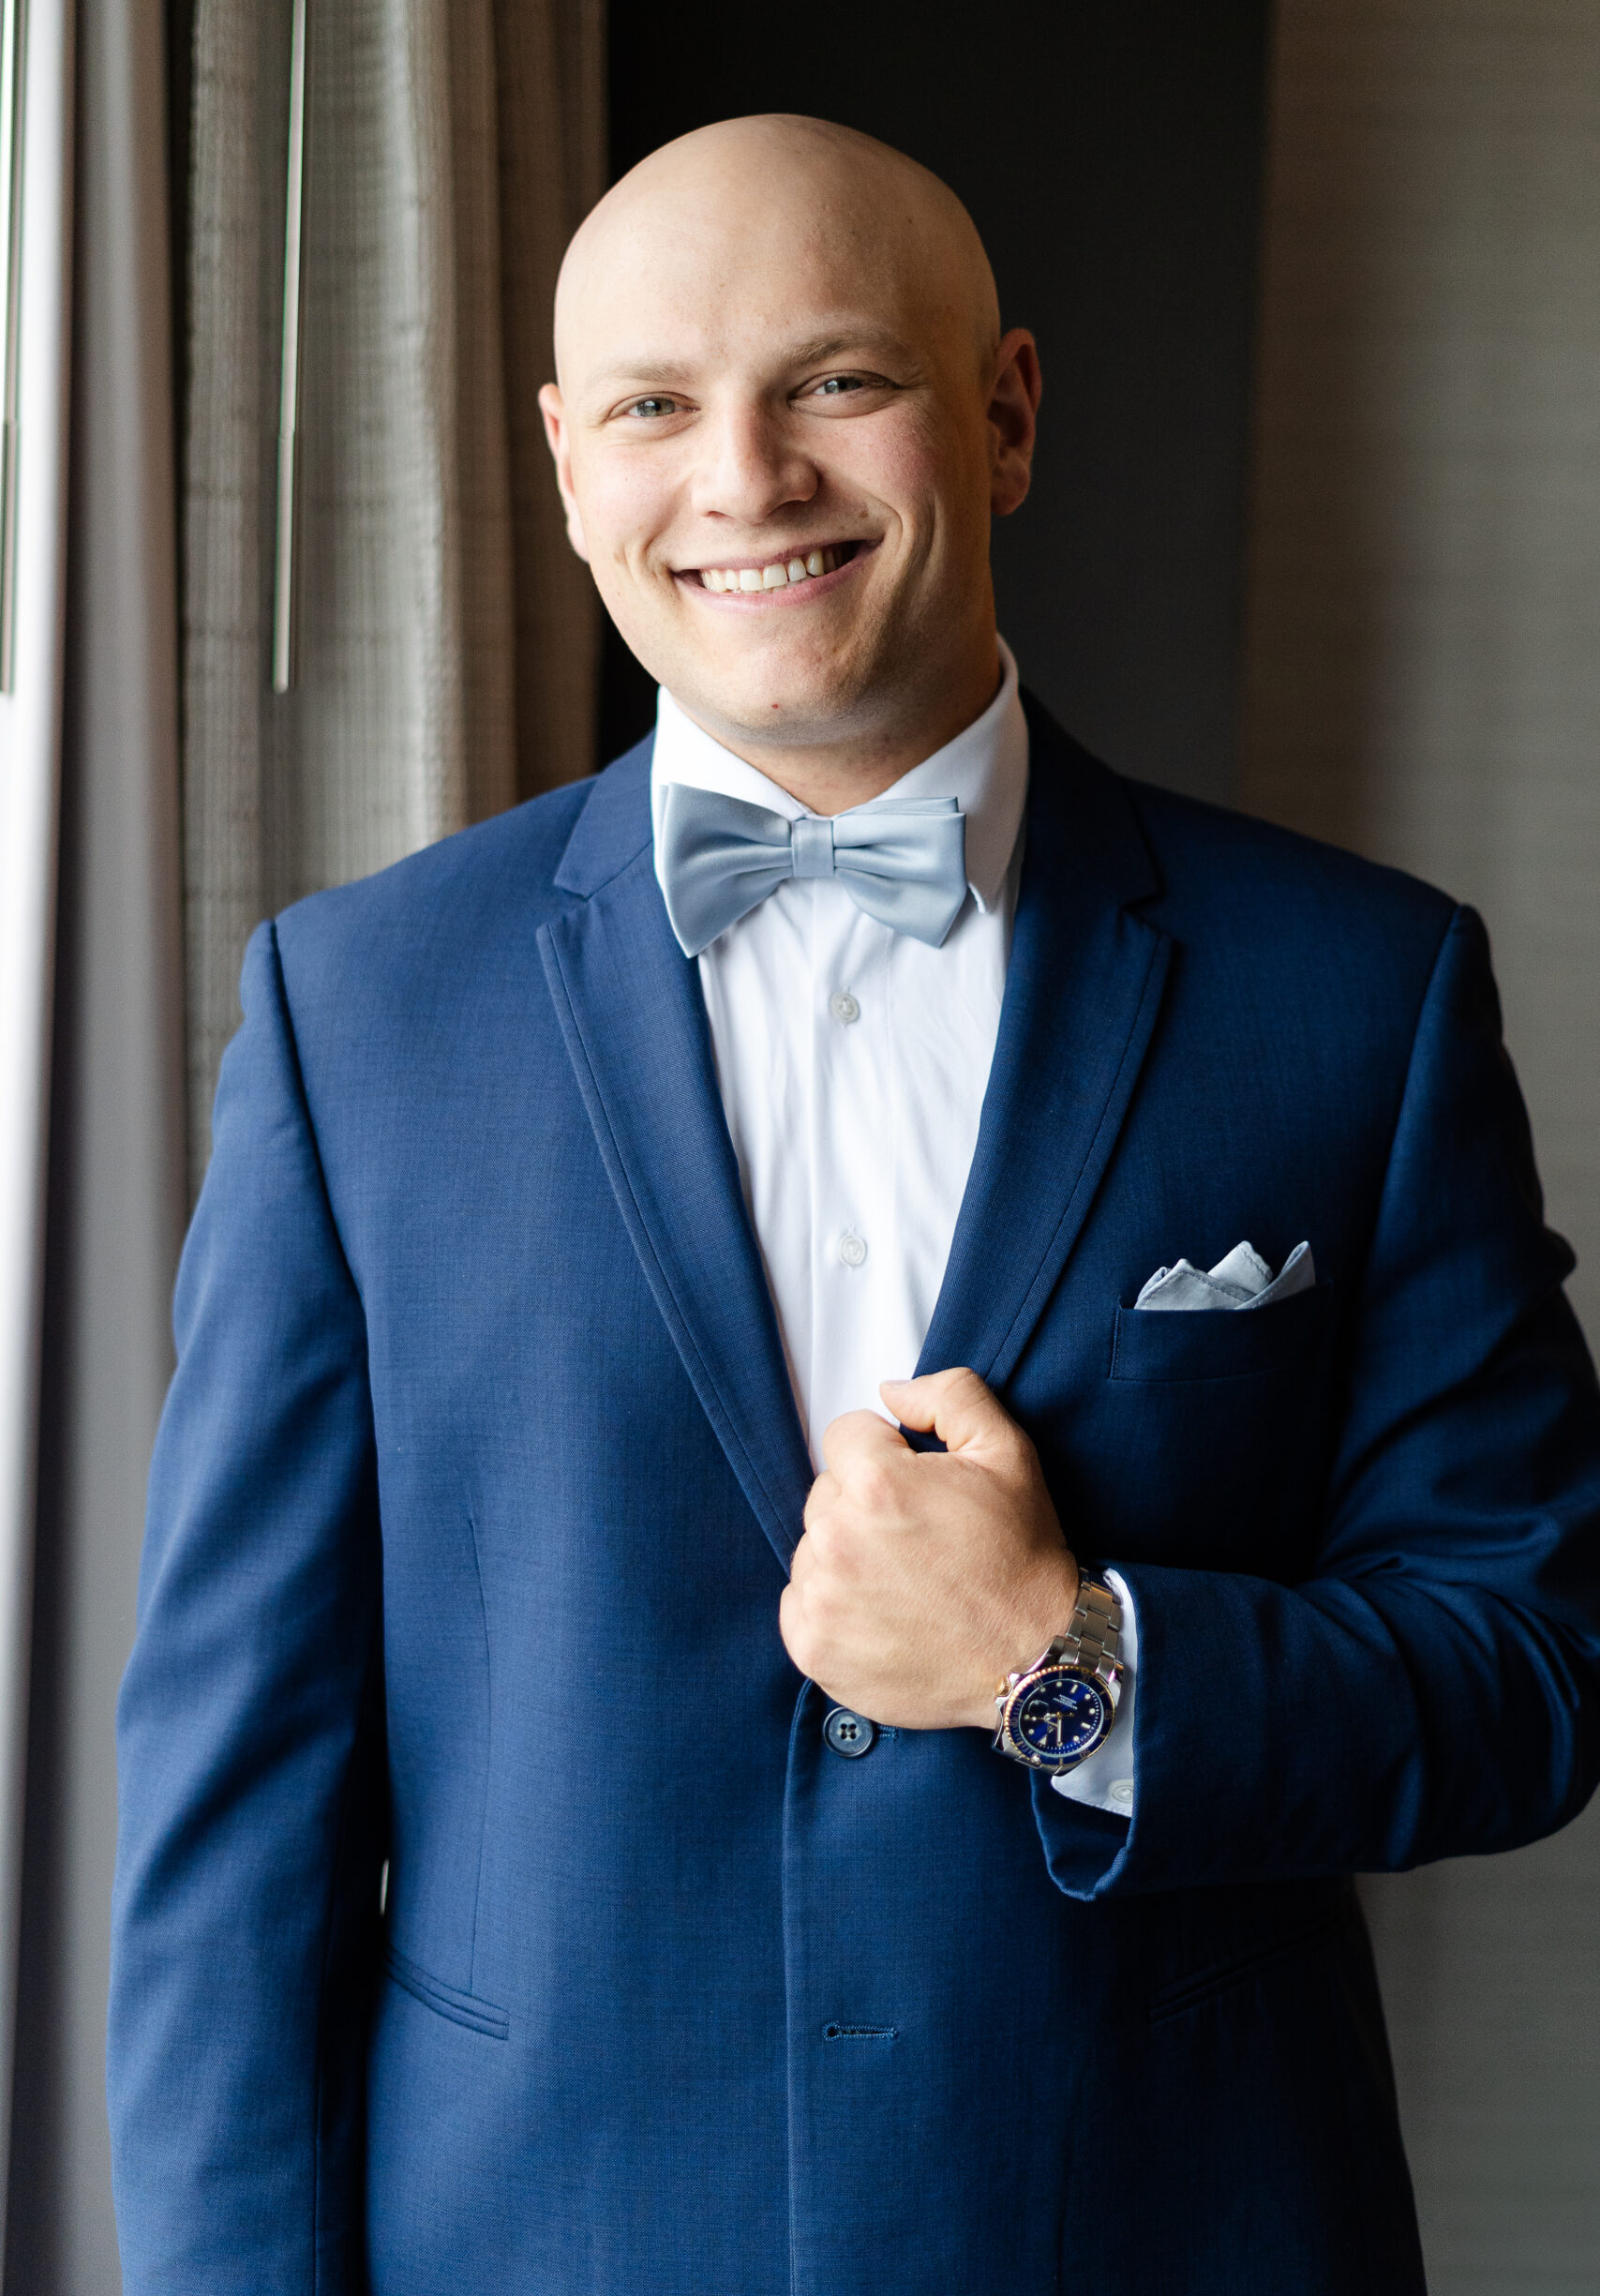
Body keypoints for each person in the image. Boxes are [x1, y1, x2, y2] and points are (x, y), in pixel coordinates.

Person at [108, 115, 1600, 2296]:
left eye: (830, 380)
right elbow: (228, 1830)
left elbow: (1533, 1657)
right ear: (557, 459)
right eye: (651, 404)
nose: (742, 477)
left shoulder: (1354, 991)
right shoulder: (356, 1013)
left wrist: (1063, 1665)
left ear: (1000, 413)